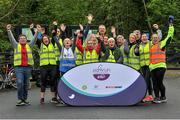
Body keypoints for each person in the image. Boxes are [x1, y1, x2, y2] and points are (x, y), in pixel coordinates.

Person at [6, 24, 39, 106]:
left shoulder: (29, 46)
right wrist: (9, 30)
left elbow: (34, 40)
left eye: (24, 38)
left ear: (26, 40)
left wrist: (37, 32)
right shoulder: (16, 45)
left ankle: (24, 99)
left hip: (28, 68)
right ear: (19, 40)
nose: (23, 39)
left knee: (26, 84)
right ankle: (20, 99)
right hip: (19, 68)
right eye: (21, 38)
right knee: (20, 83)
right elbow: (11, 39)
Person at [150, 24, 174, 104]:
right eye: (153, 38)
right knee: (154, 83)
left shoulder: (162, 44)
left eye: (156, 38)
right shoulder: (150, 45)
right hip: (152, 68)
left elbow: (169, 37)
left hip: (161, 67)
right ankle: (157, 97)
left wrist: (170, 26)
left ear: (158, 38)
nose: (155, 39)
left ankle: (163, 97)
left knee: (159, 82)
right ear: (151, 39)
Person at [37, 34, 59, 104]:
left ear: (49, 40)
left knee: (53, 81)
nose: (45, 40)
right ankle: (42, 98)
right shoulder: (40, 45)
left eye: (47, 39)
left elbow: (54, 36)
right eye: (44, 39)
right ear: (42, 40)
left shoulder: (52, 44)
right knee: (43, 81)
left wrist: (55, 27)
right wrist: (35, 31)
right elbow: (37, 39)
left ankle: (53, 98)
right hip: (44, 66)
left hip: (53, 65)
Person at [138, 33, 153, 102]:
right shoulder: (139, 45)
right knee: (148, 80)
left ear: (148, 38)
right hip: (142, 65)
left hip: (149, 64)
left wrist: (158, 30)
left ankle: (142, 95)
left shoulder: (150, 43)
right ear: (141, 38)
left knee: (146, 79)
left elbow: (158, 39)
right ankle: (150, 95)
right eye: (143, 37)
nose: (144, 38)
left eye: (145, 37)